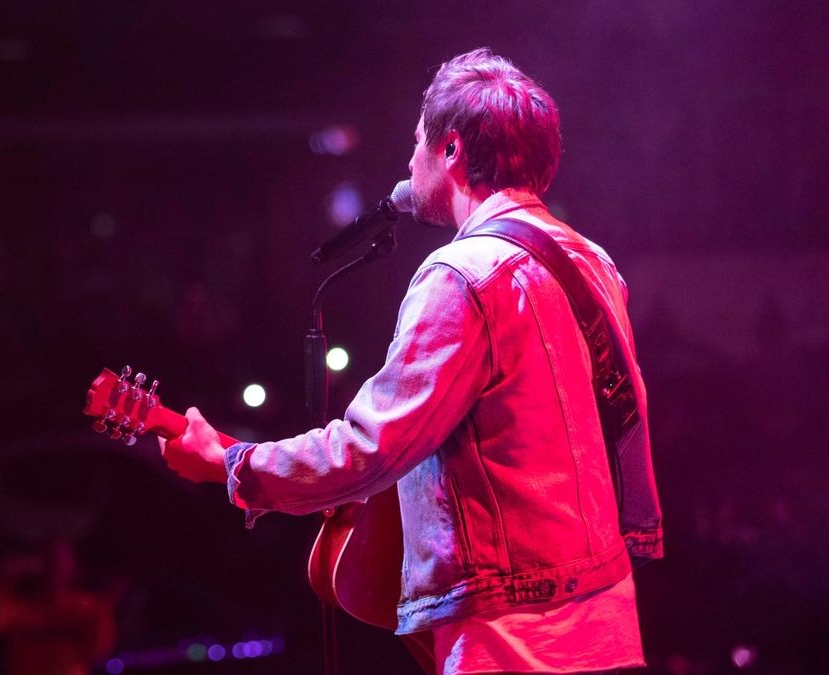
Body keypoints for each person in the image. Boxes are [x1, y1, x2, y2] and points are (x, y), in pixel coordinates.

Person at [158, 48, 662, 675]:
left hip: (512, 643)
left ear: (451, 149)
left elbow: (372, 447)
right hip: (608, 621)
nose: (407, 162)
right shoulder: (592, 263)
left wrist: (233, 464)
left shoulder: (462, 276)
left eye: (416, 142)